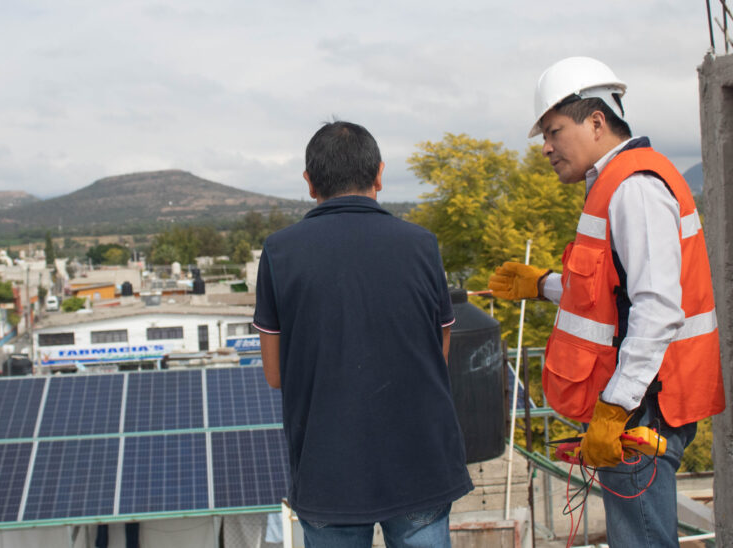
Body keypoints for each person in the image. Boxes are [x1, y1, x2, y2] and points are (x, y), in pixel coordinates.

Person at [488, 57, 725, 547]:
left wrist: (615, 409)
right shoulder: (616, 184)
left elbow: (657, 309)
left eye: (554, 131)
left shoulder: (634, 188)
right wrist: (543, 285)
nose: (547, 148)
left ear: (597, 121)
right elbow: (609, 294)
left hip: (642, 410)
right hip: (638, 403)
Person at [253, 121, 473, 548]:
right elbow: (438, 351)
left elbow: (276, 374)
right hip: (421, 462)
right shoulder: (422, 244)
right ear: (379, 174)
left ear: (309, 183)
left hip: (327, 470)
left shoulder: (280, 251)